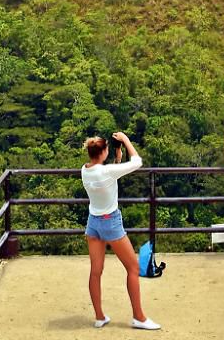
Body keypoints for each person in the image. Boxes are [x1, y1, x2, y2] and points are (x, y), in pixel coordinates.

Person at [81, 132, 161, 330]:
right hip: (111, 222)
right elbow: (137, 162)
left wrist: (117, 160)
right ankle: (139, 317)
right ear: (103, 152)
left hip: (93, 223)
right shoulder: (107, 171)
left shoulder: (85, 170)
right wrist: (125, 140)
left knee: (95, 272)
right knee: (133, 268)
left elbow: (106, 177)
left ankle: (99, 316)